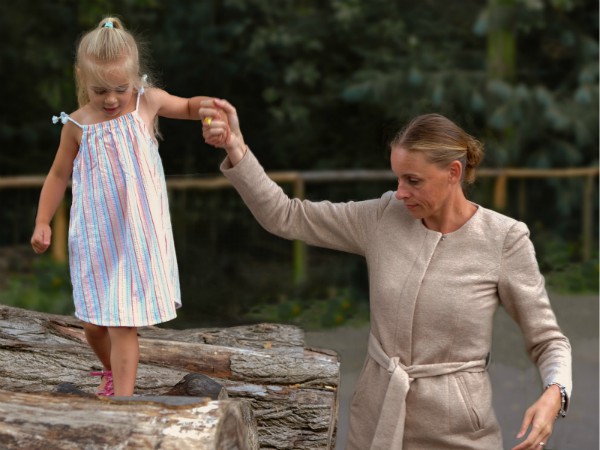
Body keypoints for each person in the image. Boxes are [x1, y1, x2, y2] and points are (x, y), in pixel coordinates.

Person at [199, 98, 572, 450]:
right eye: (397, 178)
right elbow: (286, 215)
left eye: (413, 180)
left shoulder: (504, 239)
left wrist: (554, 394)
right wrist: (237, 148)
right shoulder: (381, 217)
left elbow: (549, 341)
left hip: (459, 435)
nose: (400, 193)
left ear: (453, 173)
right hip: (375, 424)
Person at [30, 17, 224, 397]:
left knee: (122, 325)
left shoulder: (146, 104)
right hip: (96, 238)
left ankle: (124, 406)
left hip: (136, 238)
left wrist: (212, 108)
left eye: (120, 88)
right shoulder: (78, 125)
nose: (112, 98)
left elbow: (186, 106)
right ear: (82, 79)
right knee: (92, 324)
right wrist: (42, 221)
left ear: (136, 77)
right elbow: (57, 176)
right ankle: (111, 370)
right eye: (100, 90)